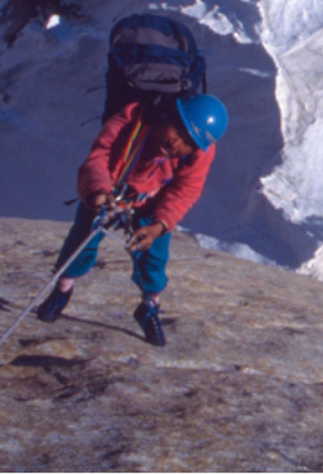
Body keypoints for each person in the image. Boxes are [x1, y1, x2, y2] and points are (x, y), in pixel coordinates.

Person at [36, 94, 228, 346]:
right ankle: (62, 289)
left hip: (151, 202)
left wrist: (159, 225)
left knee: (154, 258)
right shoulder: (132, 119)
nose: (175, 143)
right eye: (177, 130)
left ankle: (150, 306)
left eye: (186, 142)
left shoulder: (201, 152)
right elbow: (100, 156)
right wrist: (98, 190)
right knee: (81, 241)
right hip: (110, 192)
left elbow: (185, 190)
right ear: (168, 115)